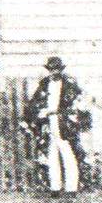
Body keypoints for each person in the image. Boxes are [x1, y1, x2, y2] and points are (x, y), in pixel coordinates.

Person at [25, 56, 89, 195]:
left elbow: (77, 102)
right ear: (48, 70)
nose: (54, 72)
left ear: (61, 69)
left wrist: (69, 115)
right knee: (52, 153)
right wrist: (40, 113)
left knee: (67, 152)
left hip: (62, 121)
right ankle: (55, 187)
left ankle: (71, 187)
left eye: (57, 69)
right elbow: (36, 101)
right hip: (48, 121)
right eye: (51, 69)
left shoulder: (69, 84)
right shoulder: (44, 84)